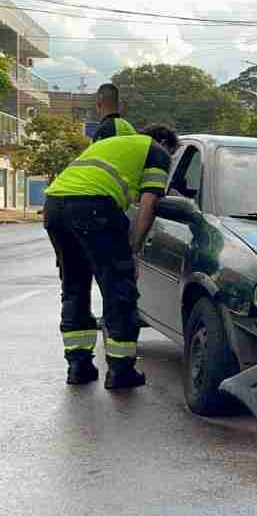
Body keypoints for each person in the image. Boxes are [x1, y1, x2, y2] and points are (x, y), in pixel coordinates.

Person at [43, 125, 179, 389]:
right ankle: (120, 371)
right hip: (93, 207)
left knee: (74, 287)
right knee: (119, 290)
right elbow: (149, 203)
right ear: (164, 144)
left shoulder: (111, 147)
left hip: (54, 207)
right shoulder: (157, 151)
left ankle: (78, 367)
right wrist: (134, 249)